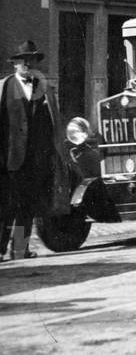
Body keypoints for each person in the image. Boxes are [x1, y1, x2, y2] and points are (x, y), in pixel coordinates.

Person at [0, 40, 67, 261]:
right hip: (9, 161)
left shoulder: (44, 89)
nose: (27, 64)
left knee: (27, 207)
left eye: (31, 60)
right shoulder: (4, 88)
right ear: (15, 64)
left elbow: (52, 124)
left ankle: (19, 250)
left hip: (35, 162)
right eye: (23, 60)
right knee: (5, 207)